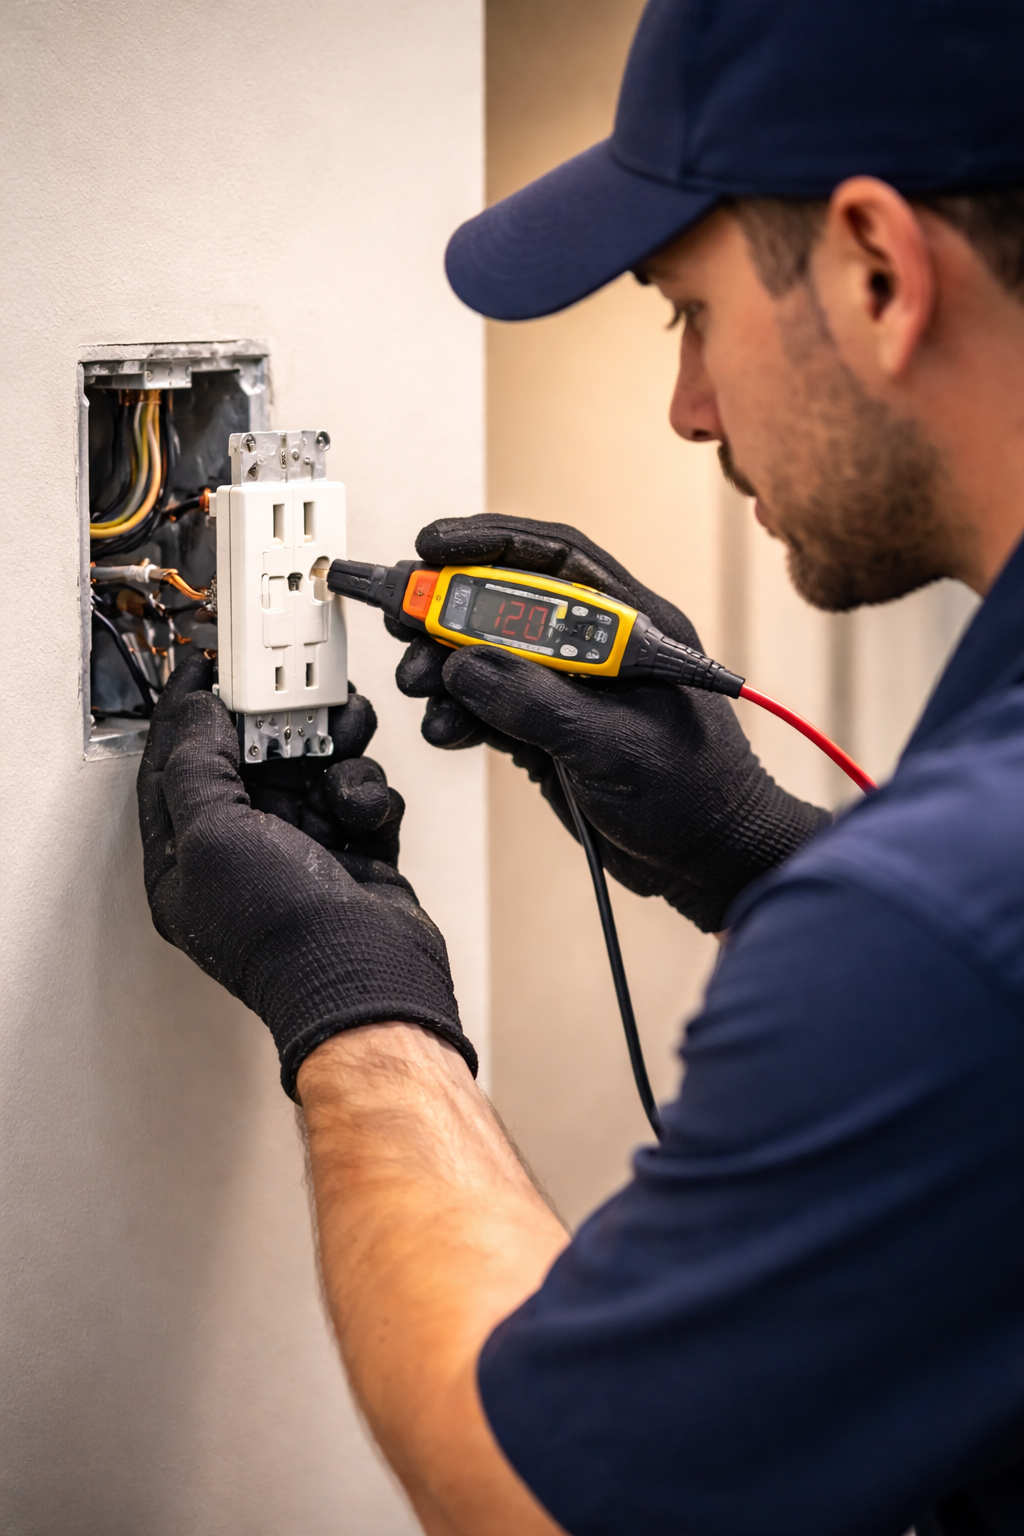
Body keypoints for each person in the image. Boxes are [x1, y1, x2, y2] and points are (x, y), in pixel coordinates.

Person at [137, 1, 1024, 1531]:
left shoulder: (943, 921)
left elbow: (537, 1497)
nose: (688, 405)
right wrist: (755, 851)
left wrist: (357, 1003)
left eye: (684, 308)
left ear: (879, 271)